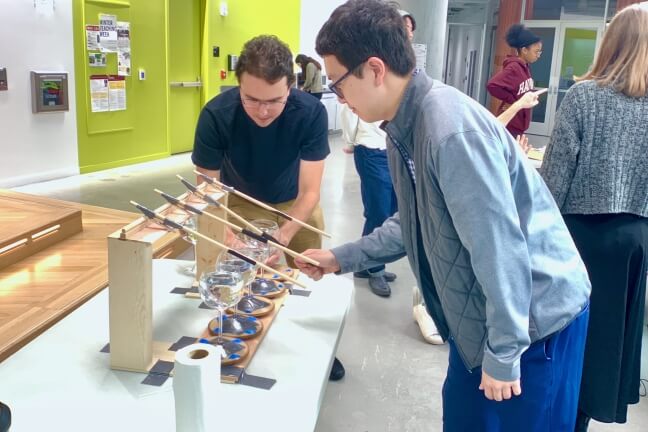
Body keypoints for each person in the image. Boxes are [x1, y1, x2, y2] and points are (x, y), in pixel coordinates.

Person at [296, 1, 591, 430]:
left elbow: (499, 245)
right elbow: (415, 220)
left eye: (339, 84)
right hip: (483, 318)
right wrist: (342, 257)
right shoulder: (403, 123)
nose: (339, 98)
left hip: (533, 323)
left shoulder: (448, 131)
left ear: (376, 70)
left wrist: (506, 350)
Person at [191, 35, 345, 381]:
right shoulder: (216, 115)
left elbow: (310, 191)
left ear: (292, 86)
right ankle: (245, 339)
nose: (263, 111)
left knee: (307, 275)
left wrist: (284, 235)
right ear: (238, 85)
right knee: (243, 276)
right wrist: (228, 235)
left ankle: (318, 348)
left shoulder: (310, 113)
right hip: (238, 202)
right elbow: (207, 191)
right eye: (252, 99)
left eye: (274, 101)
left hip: (296, 200)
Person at [540, 6, 648, 430]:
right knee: (608, 347)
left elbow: (554, 181)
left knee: (572, 345)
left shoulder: (584, 97)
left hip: (583, 236)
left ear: (611, 41)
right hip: (636, 237)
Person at [340, 104, 397, 297]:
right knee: (378, 212)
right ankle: (376, 269)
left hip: (392, 149)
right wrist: (350, 142)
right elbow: (349, 111)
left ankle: (365, 264)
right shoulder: (364, 84)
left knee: (391, 209)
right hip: (370, 148)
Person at [487, 24, 542, 139]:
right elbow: (492, 85)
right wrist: (513, 101)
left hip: (519, 125)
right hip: (510, 125)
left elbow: (521, 91)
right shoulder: (514, 68)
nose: (538, 55)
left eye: (539, 52)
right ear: (524, 50)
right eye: (536, 51)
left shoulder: (526, 67)